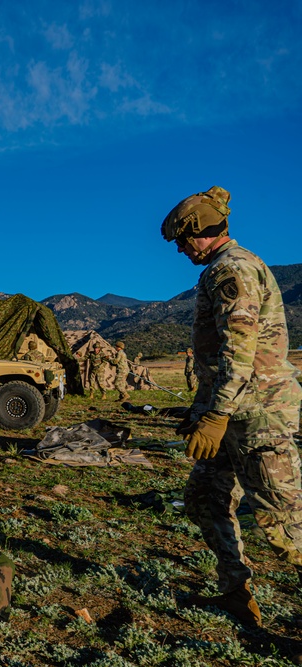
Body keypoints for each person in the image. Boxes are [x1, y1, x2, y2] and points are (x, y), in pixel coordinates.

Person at [161, 185, 302, 631]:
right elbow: (218, 355)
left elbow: (238, 354)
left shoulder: (232, 271)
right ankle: (236, 595)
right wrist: (203, 410)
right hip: (230, 416)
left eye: (183, 240)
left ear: (201, 230)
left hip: (257, 417)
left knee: (283, 526)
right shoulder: (222, 269)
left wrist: (217, 414)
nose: (181, 250)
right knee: (205, 500)